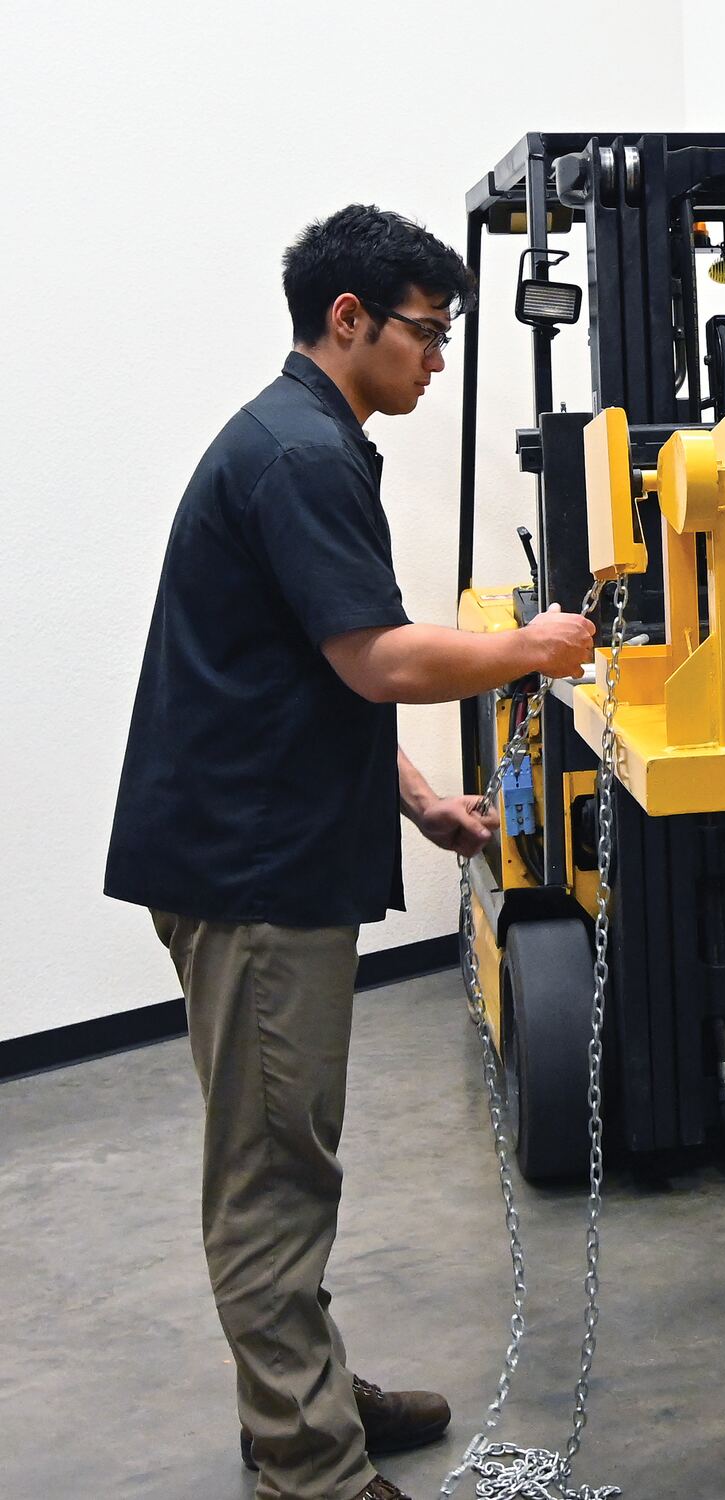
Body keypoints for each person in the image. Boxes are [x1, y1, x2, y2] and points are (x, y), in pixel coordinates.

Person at [104, 205, 596, 1500]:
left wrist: (420, 802)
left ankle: (304, 1395)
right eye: (426, 333)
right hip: (252, 875)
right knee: (274, 1173)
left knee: (289, 1151)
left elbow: (313, 672)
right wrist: (529, 649)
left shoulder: (307, 442)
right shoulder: (301, 458)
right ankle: (307, 1465)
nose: (437, 358)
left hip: (261, 850)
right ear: (348, 319)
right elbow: (377, 658)